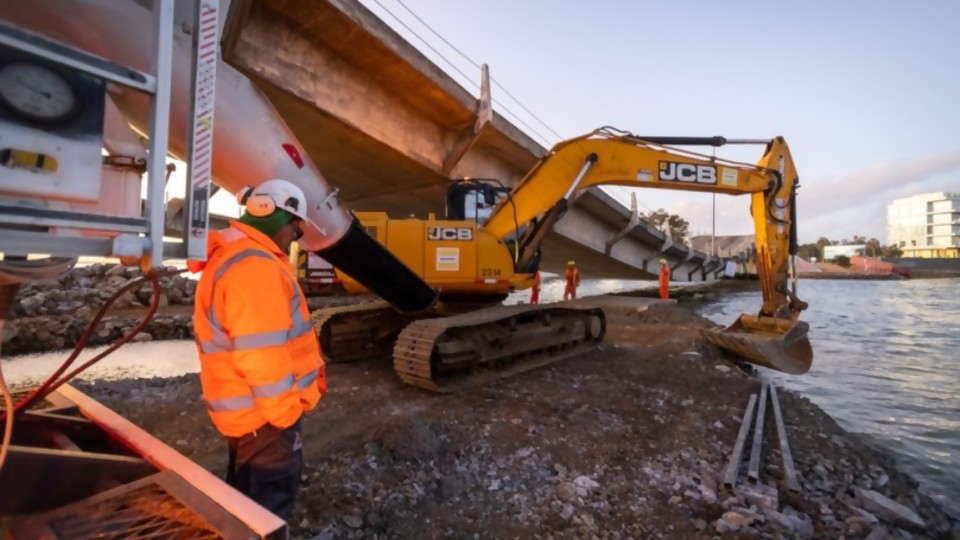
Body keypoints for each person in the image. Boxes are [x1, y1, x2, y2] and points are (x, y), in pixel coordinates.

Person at [189, 179, 326, 521]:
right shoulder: (255, 267)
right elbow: (261, 354)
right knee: (266, 515)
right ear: (275, 215)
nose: (294, 241)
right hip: (266, 421)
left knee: (244, 509)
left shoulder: (232, 256)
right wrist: (286, 416)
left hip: (247, 417)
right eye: (296, 232)